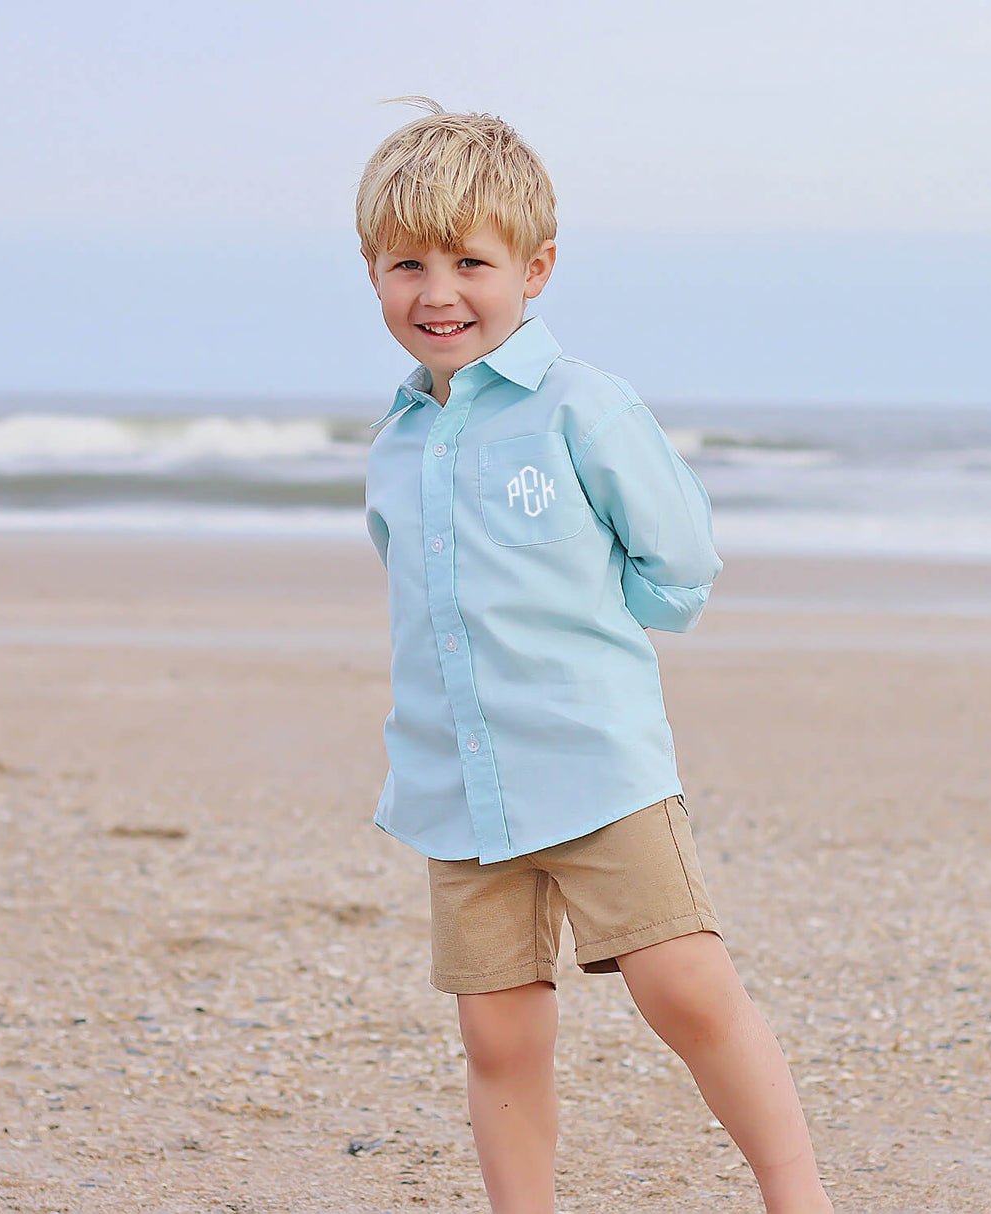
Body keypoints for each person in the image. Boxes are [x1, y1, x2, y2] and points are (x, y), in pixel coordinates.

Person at [357, 95, 833, 1214]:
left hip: (595, 763)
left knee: (686, 987)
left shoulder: (581, 406)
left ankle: (797, 1194)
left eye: (469, 260)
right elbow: (418, 598)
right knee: (495, 1027)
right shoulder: (396, 442)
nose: (437, 293)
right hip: (458, 787)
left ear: (536, 267)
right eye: (404, 264)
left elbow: (675, 551)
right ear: (371, 273)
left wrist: (595, 630)